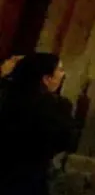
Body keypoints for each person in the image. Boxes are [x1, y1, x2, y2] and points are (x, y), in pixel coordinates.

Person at [0, 53, 77, 195]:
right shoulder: (55, 106)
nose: (63, 74)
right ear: (46, 79)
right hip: (28, 179)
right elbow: (66, 141)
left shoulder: (6, 96)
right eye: (59, 69)